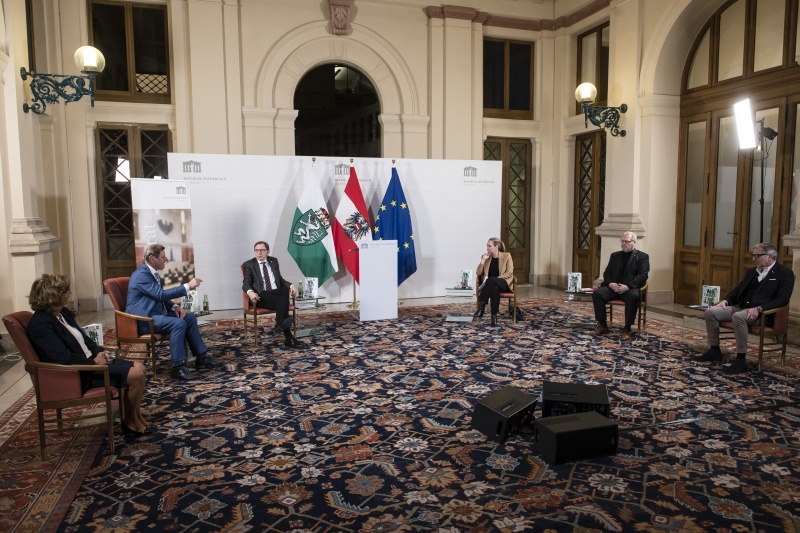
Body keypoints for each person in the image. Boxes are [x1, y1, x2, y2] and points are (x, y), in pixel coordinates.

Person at [26, 274, 152, 436]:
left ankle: (134, 416)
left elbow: (85, 339)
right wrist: (94, 363)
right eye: (66, 291)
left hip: (91, 363)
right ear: (54, 296)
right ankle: (130, 421)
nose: (70, 293)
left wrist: (99, 352)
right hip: (79, 373)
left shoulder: (62, 313)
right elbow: (62, 358)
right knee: (135, 374)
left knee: (140, 368)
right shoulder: (40, 324)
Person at [695, 242, 795, 374]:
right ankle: (714, 350)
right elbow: (738, 290)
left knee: (738, 317)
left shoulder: (784, 273)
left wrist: (758, 309)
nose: (754, 259)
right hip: (741, 307)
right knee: (711, 312)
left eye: (757, 256)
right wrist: (725, 300)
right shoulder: (751, 272)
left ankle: (741, 360)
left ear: (770, 256)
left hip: (762, 314)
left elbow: (782, 300)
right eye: (753, 256)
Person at [126, 244, 220, 380]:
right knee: (178, 324)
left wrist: (174, 307)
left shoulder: (151, 273)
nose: (166, 260)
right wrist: (188, 286)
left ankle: (202, 356)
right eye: (163, 257)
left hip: (154, 314)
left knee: (189, 318)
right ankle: (177, 367)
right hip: (142, 320)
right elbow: (160, 295)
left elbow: (158, 296)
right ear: (152, 259)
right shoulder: (141, 275)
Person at [242, 241, 305, 348]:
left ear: (267, 251)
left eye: (262, 250)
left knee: (284, 290)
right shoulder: (249, 264)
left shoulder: (273, 261)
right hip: (261, 296)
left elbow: (280, 280)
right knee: (283, 303)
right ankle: (288, 337)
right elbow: (246, 282)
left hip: (276, 294)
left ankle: (280, 325)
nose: (259, 253)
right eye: (256, 250)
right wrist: (250, 292)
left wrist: (291, 285)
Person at [592, 231, 650, 340]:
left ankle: (627, 329)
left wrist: (627, 286)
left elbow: (643, 276)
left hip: (630, 289)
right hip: (614, 288)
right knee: (598, 294)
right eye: (622, 241)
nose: (624, 243)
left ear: (634, 242)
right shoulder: (615, 255)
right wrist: (610, 283)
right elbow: (607, 272)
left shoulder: (642, 257)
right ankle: (603, 325)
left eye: (626, 241)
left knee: (632, 296)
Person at [474, 237, 515, 327]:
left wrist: (497, 279)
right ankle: (494, 317)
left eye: (490, 246)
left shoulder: (507, 256)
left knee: (491, 280)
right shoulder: (486, 257)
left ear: (496, 247)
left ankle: (482, 306)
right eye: (487, 246)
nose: (487, 248)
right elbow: (478, 273)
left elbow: (509, 272)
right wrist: (483, 261)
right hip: (492, 286)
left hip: (504, 283)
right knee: (494, 288)